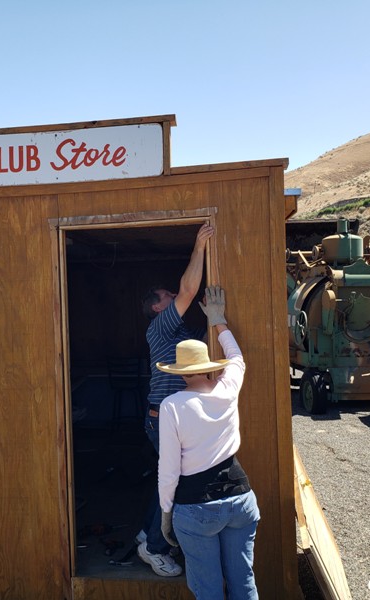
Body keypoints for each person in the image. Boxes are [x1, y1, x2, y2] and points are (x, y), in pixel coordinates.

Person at [157, 285, 259, 600]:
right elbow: (236, 358)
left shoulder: (172, 405)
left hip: (196, 507)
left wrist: (165, 513)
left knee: (209, 591)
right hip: (241, 500)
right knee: (243, 583)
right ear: (206, 367)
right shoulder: (227, 388)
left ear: (181, 373)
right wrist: (218, 320)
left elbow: (169, 468)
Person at [137, 223, 214, 577]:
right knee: (174, 481)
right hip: (163, 418)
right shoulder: (161, 327)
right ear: (157, 308)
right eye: (165, 296)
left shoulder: (181, 332)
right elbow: (187, 288)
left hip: (169, 417)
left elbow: (208, 340)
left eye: (171, 294)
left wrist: (216, 318)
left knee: (166, 479)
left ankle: (147, 533)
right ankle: (154, 547)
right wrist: (199, 246)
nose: (173, 295)